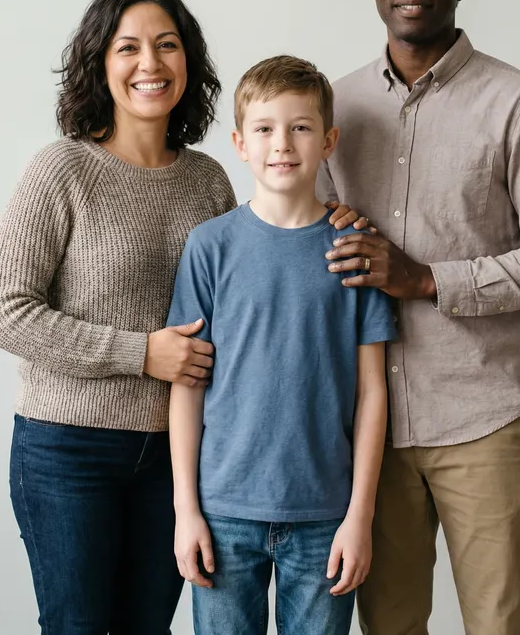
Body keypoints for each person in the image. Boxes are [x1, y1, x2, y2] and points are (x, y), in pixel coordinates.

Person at [0, 0, 365, 635]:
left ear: (189, 61)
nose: (150, 64)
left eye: (167, 45)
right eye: (128, 47)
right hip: (68, 449)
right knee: (75, 626)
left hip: (173, 458)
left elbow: (255, 282)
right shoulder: (60, 171)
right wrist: (141, 352)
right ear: (101, 63)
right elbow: (4, 311)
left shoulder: (207, 180)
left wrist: (332, 224)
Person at [319, 0, 520, 635]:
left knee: (501, 625)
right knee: (389, 627)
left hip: (484, 417)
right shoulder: (332, 109)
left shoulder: (517, 102)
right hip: (368, 428)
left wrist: (427, 279)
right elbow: (303, 252)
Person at [167, 56, 397, 635]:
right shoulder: (210, 246)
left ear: (328, 140)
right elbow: (188, 385)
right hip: (224, 513)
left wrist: (359, 517)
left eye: (301, 127)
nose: (283, 143)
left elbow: (373, 393)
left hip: (325, 515)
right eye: (266, 129)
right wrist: (186, 511)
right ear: (241, 143)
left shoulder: (355, 249)